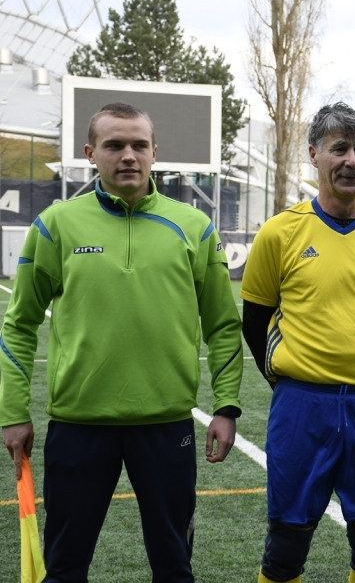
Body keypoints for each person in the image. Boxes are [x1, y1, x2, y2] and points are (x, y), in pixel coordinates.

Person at [0, 102, 243, 582]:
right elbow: (19, 325)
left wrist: (227, 406)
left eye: (138, 145)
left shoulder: (194, 226)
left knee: (174, 569)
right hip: (78, 425)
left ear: (155, 152)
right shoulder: (56, 224)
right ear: (91, 153)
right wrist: (13, 412)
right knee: (64, 568)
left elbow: (222, 324)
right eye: (114, 145)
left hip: (167, 426)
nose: (128, 155)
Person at [241, 102, 355, 583]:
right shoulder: (280, 232)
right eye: (339, 148)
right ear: (313, 155)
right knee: (286, 547)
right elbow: (254, 320)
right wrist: (290, 378)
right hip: (301, 407)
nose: (352, 160)